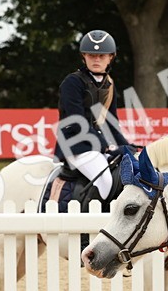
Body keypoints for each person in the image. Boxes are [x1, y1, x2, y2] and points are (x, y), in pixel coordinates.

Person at [55, 30, 128, 200]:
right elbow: (76, 122)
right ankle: (85, 226)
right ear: (84, 56)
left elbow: (111, 123)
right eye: (92, 55)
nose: (96, 59)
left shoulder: (109, 84)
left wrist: (126, 147)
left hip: (96, 145)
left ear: (111, 57)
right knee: (105, 180)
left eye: (101, 55)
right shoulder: (72, 82)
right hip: (74, 145)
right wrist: (108, 146)